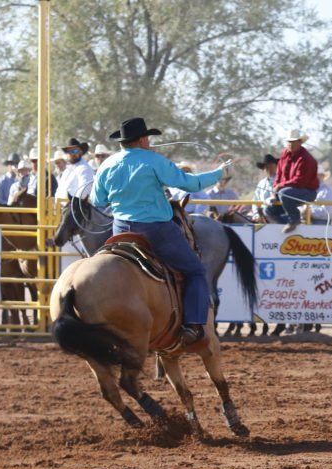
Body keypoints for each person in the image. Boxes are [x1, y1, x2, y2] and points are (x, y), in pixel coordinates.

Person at [91, 117, 231, 348]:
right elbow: (189, 184)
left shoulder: (107, 164)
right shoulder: (155, 161)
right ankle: (193, 325)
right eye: (148, 137)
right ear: (143, 139)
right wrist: (218, 173)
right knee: (196, 270)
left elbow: (98, 199)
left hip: (120, 230)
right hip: (155, 229)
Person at [265, 129, 319, 233]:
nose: (290, 144)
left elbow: (300, 182)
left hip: (307, 192)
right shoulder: (284, 155)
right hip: (288, 193)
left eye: (293, 141)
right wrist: (273, 194)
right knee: (268, 210)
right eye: (289, 141)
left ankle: (294, 220)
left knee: (284, 193)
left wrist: (279, 186)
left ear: (299, 142)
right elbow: (279, 176)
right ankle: (288, 228)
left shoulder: (306, 159)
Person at [56, 138, 96, 202]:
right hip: (60, 209)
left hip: (73, 209)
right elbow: (59, 190)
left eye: (75, 151)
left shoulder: (84, 168)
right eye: (69, 151)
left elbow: (84, 191)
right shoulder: (67, 171)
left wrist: (71, 204)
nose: (72, 154)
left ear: (81, 152)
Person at [252, 153, 277, 222]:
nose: (269, 168)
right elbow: (255, 201)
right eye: (266, 167)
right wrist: (256, 215)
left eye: (271, 166)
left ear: (276, 167)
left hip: (277, 216)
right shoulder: (261, 184)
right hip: (262, 217)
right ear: (263, 169)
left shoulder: (281, 181)